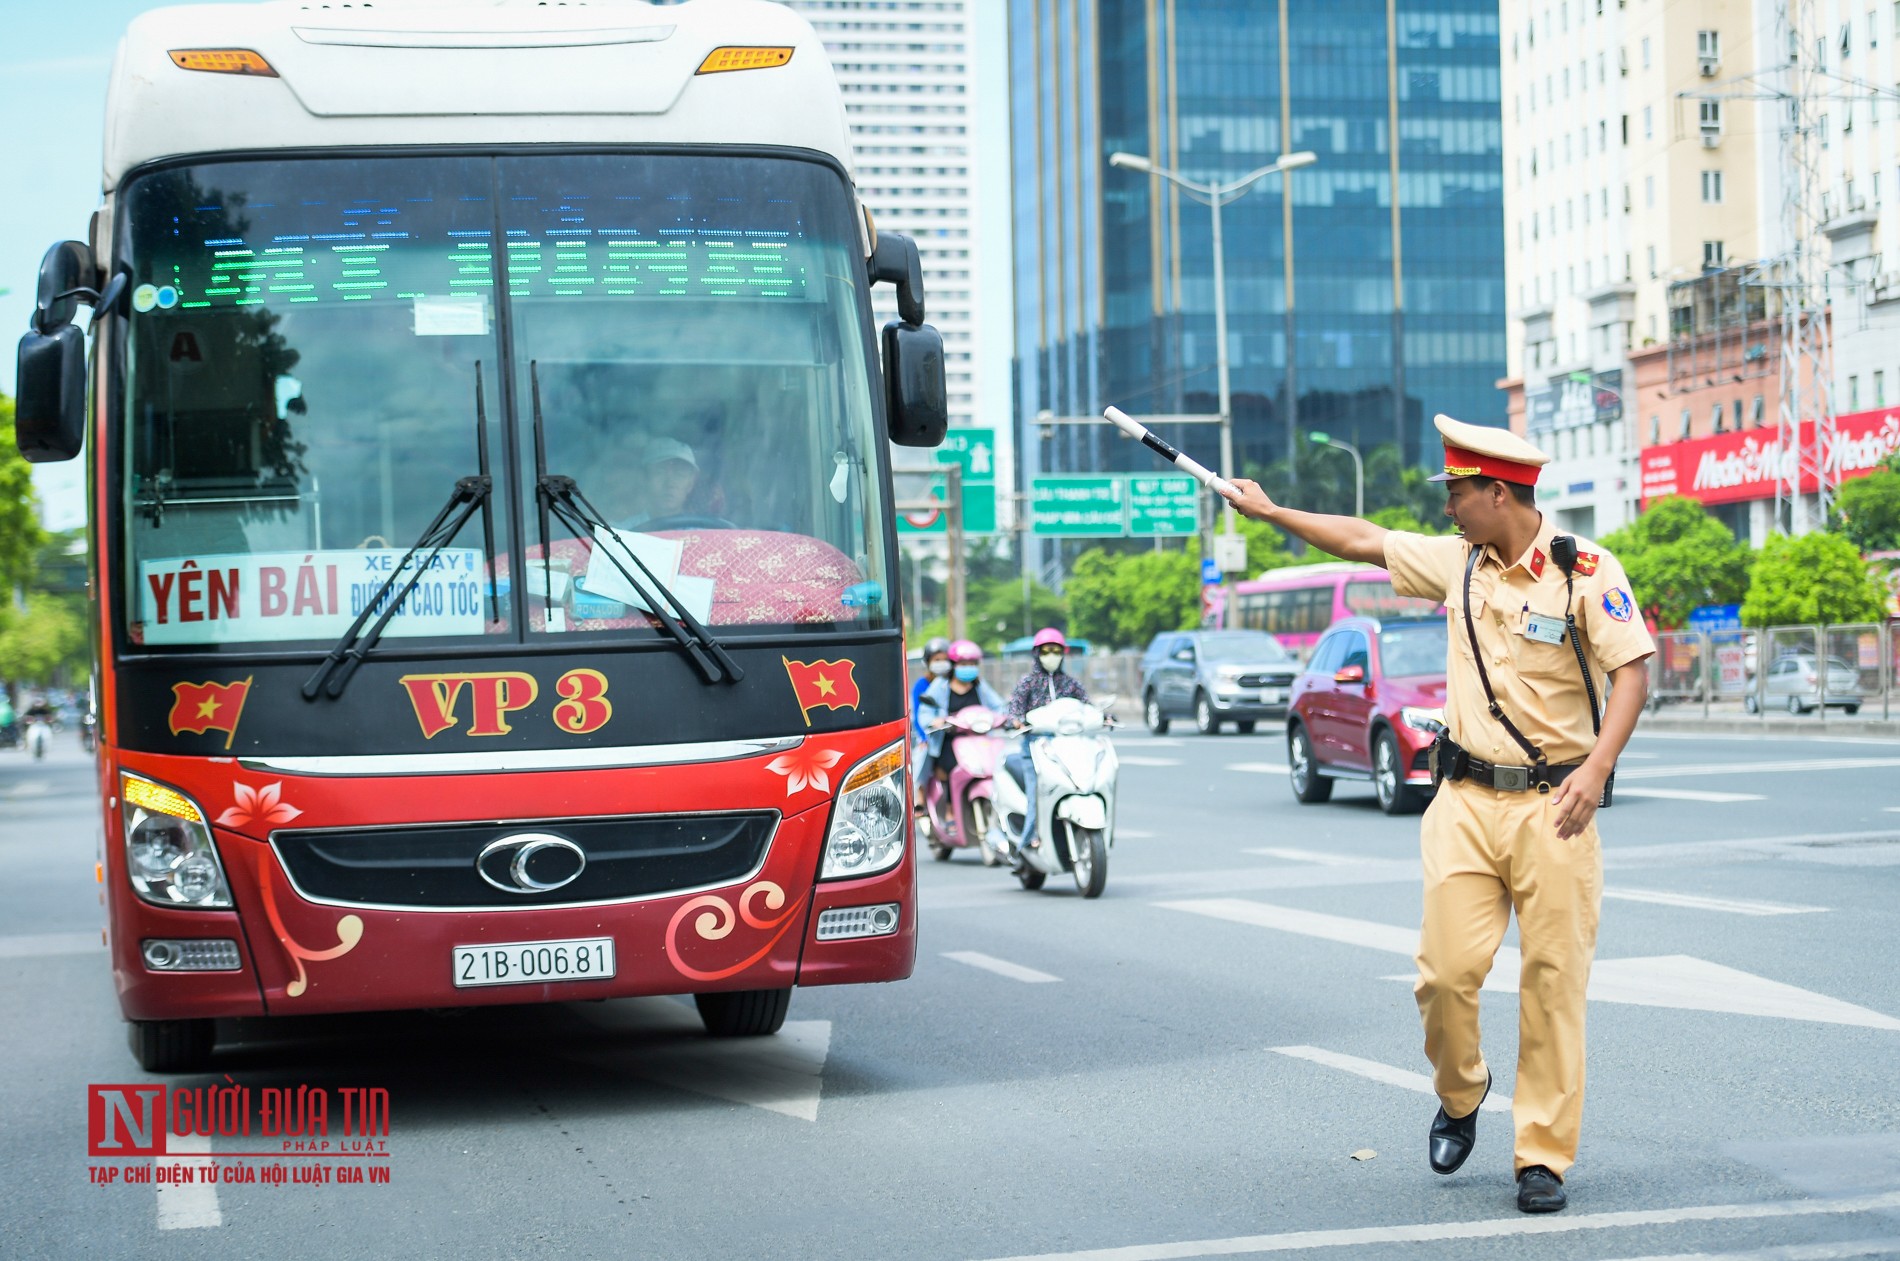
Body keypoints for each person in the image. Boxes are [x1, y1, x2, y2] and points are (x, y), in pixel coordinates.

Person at [1222, 414, 1653, 1216]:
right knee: (1444, 975)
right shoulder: (1457, 563)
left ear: (1499, 491)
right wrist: (1273, 511)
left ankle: (1542, 1157)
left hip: (1555, 805)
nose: (1447, 507)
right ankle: (1462, 1093)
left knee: (1553, 986)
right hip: (1460, 800)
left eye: (1457, 492)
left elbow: (1633, 671)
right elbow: (1360, 539)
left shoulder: (1585, 571)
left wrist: (1598, 769)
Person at [1003, 628, 1090, 859]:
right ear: (1036, 653)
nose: (1051, 655)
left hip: (1068, 747)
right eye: (1046, 651)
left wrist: (1102, 717)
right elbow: (1014, 710)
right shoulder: (1028, 683)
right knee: (1036, 793)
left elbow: (1086, 706)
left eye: (1056, 650)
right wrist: (1016, 721)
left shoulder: (1070, 684)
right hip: (1035, 748)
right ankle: (1025, 844)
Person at [915, 640, 1006, 798]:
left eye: (972, 663)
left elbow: (999, 707)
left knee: (994, 765)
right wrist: (934, 720)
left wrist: (1001, 718)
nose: (968, 667)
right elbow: (925, 712)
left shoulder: (980, 686)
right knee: (955, 768)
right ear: (953, 664)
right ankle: (951, 810)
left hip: (978, 740)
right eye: (963, 663)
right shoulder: (941, 685)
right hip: (949, 741)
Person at [910, 637, 953, 804]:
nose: (941, 663)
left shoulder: (953, 682)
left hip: (949, 731)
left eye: (945, 660)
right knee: (923, 753)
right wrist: (923, 737)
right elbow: (918, 715)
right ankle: (920, 792)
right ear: (928, 662)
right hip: (929, 733)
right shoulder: (922, 684)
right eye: (937, 660)